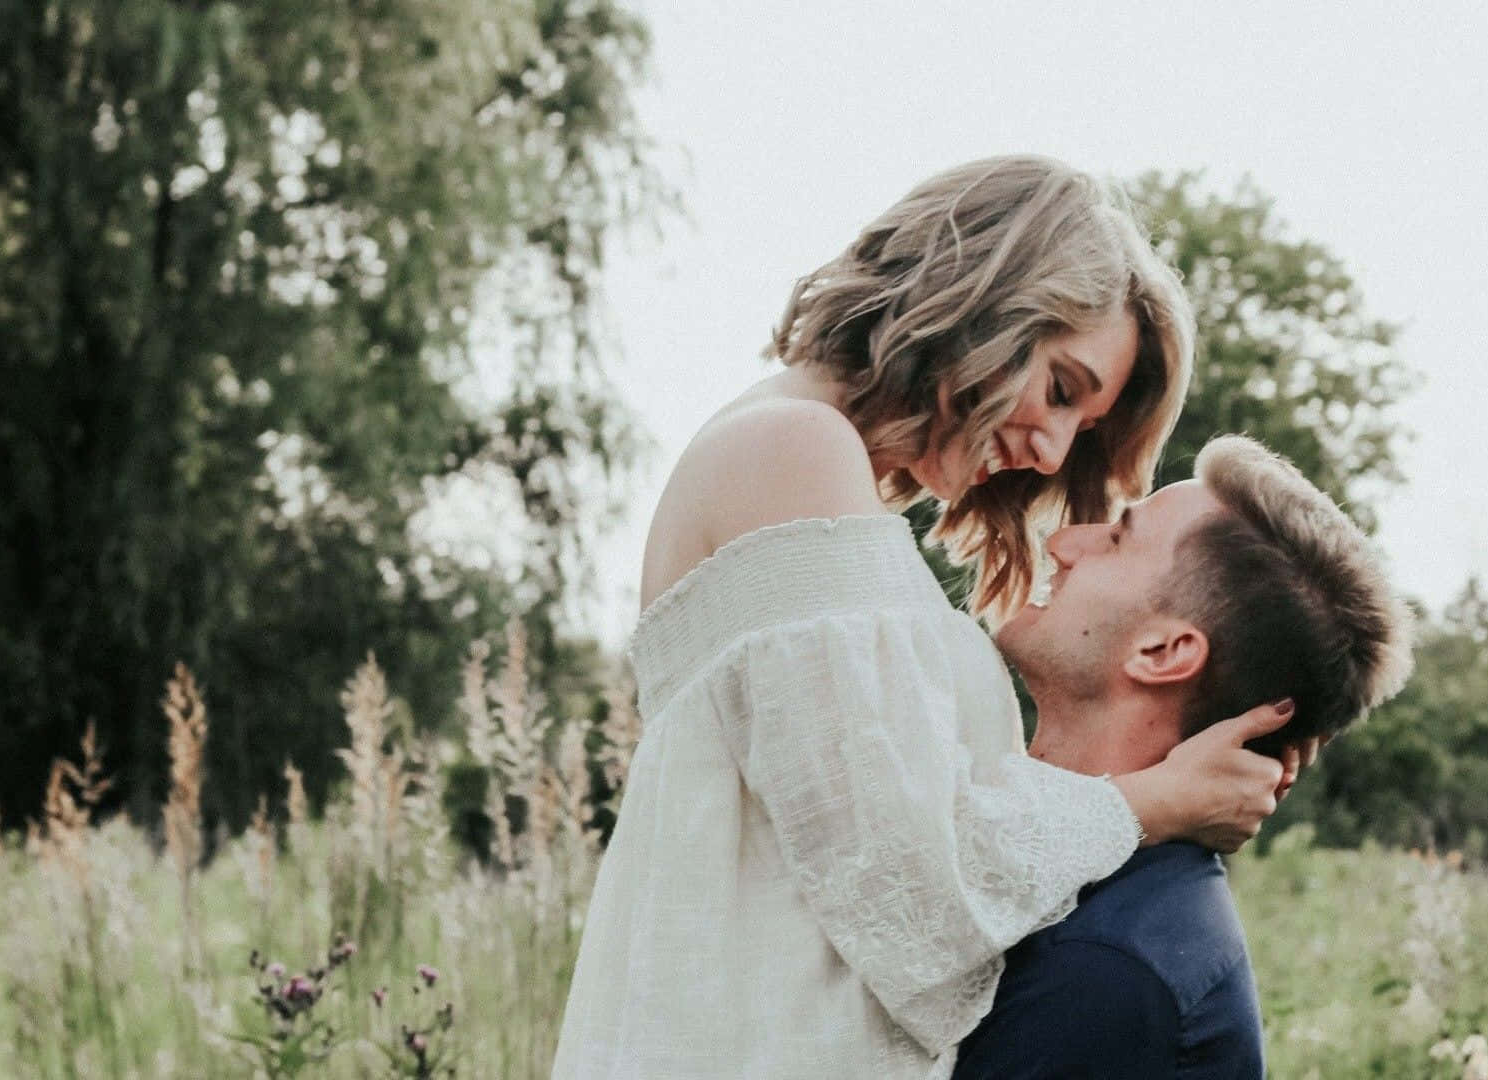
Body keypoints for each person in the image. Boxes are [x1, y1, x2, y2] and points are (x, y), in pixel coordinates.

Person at [553, 156, 1307, 1079]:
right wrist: (1159, 801)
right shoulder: (793, 450)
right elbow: (908, 895)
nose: (1051, 448)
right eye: (1061, 388)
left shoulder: (816, 466)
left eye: (1080, 426)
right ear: (983, 301)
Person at [953, 434, 1415, 1079]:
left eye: (1116, 537)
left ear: (1164, 652)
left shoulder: (1106, 967)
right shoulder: (1047, 872)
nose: (1062, 543)